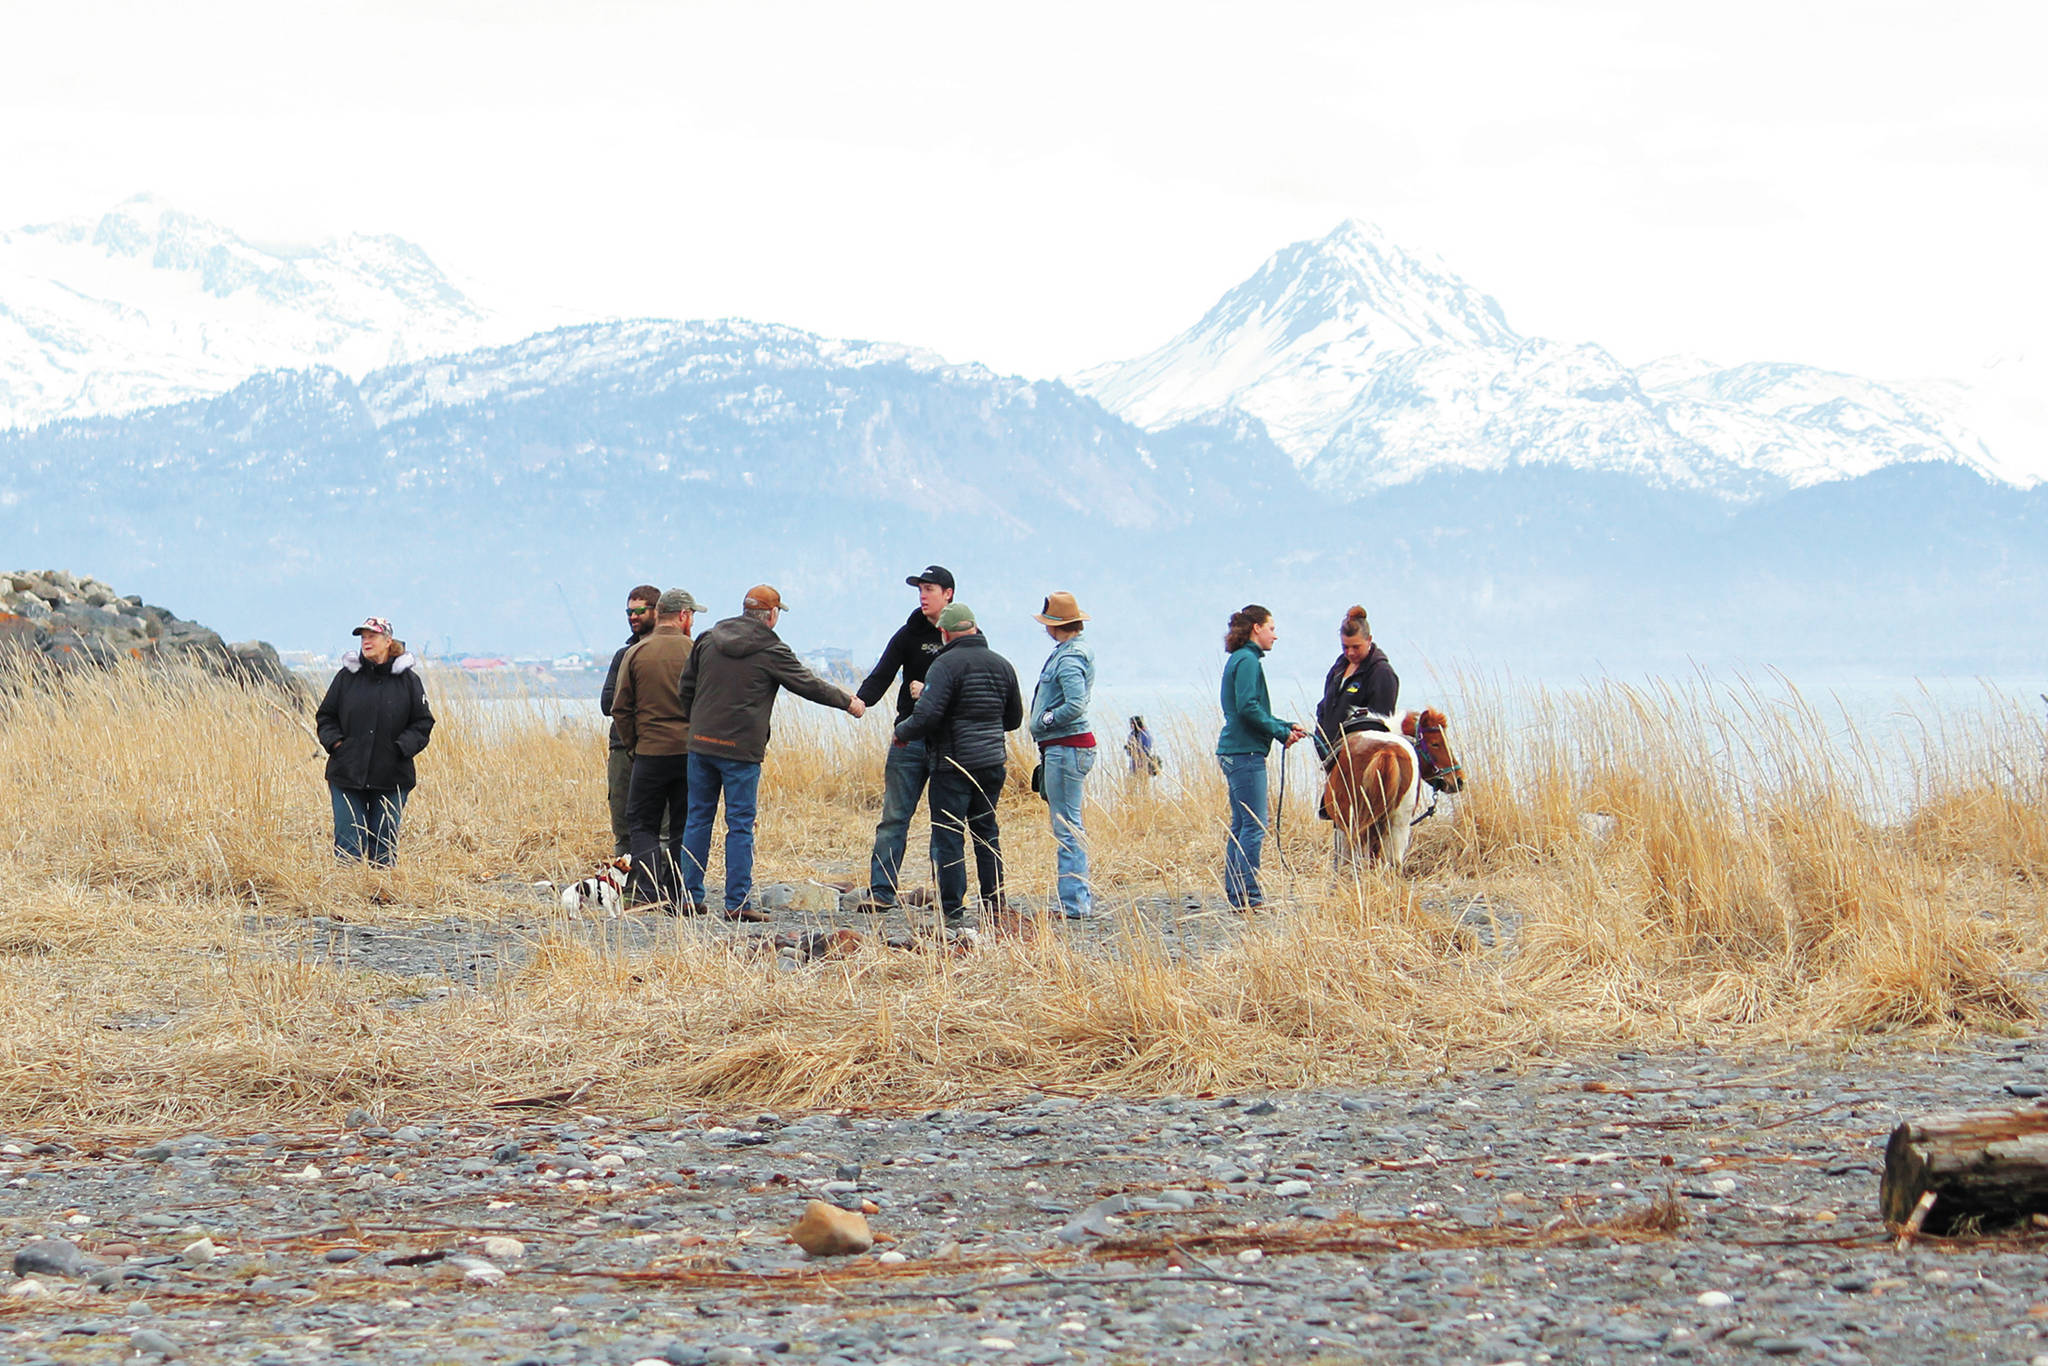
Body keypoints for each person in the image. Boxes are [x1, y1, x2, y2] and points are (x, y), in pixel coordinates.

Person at [678, 585, 865, 919]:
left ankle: (690, 898)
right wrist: (847, 702)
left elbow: (685, 688)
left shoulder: (708, 638)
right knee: (739, 825)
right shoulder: (771, 648)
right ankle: (737, 905)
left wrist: (698, 725)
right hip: (740, 751)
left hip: (701, 745)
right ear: (772, 615)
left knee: (697, 819)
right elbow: (808, 685)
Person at [894, 602, 1022, 926]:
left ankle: (952, 911)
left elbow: (928, 715)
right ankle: (994, 905)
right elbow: (1014, 719)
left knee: (949, 835)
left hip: (952, 765)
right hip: (992, 764)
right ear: (975, 629)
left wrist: (902, 732)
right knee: (987, 834)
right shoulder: (1003, 665)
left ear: (944, 632)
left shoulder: (944, 665)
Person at [852, 565, 955, 913]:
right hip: (908, 736)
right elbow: (883, 672)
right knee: (894, 817)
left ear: (948, 594)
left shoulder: (962, 634)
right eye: (920, 590)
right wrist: (860, 701)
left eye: (930, 589)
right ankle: (882, 892)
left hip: (948, 741)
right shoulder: (908, 633)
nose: (923, 596)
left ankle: (947, 895)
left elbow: (973, 682)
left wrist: (932, 691)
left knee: (945, 821)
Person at [315, 616, 435, 867]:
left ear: (388, 641)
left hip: (392, 776)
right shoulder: (346, 677)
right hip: (346, 774)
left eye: (372, 636)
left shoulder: (409, 681)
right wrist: (337, 745)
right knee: (348, 844)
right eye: (363, 637)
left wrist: (400, 749)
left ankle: (382, 898)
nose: (366, 641)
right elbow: (326, 716)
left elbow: (423, 723)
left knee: (384, 846)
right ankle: (348, 901)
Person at [610, 587, 701, 911]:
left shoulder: (636, 653)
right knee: (682, 823)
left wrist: (634, 745)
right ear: (684, 616)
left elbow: (619, 707)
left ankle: (647, 893)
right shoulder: (695, 651)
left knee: (642, 823)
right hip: (688, 753)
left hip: (649, 753)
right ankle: (678, 894)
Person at [1215, 604, 1307, 911]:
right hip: (1245, 753)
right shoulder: (1249, 661)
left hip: (1237, 749)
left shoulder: (1241, 659)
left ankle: (1237, 892)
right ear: (1256, 628)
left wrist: (1284, 726)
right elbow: (1248, 708)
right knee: (1255, 825)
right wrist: (1280, 733)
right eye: (1271, 628)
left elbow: (1252, 710)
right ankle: (1248, 895)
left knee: (1242, 824)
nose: (1274, 635)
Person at [1027, 591, 1097, 920]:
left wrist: (1044, 720)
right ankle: (1074, 899)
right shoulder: (1070, 653)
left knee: (1067, 827)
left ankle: (1075, 903)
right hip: (1066, 747)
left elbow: (1075, 704)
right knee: (1069, 824)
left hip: (1066, 747)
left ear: (1057, 625)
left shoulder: (1068, 659)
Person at [599, 584, 661, 857]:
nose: (633, 617)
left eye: (639, 611)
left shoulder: (671, 651)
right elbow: (607, 704)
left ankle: (662, 886)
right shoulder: (623, 655)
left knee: (663, 824)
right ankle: (626, 887)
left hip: (661, 749)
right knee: (622, 821)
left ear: (656, 612)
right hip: (623, 747)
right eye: (629, 611)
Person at [1313, 605, 1400, 759]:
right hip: (1332, 759)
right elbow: (1324, 707)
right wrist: (1321, 743)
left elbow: (1380, 727)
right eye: (1345, 647)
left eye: (1356, 647)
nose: (1350, 653)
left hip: (1361, 761)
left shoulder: (1381, 673)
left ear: (1369, 640)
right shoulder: (1339, 667)